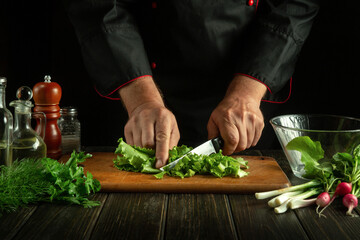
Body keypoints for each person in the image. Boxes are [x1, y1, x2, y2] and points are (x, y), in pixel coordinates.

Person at [64, 0, 320, 168]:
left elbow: (293, 4)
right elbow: (98, 5)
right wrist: (141, 101)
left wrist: (247, 91)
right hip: (135, 88)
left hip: (244, 96)